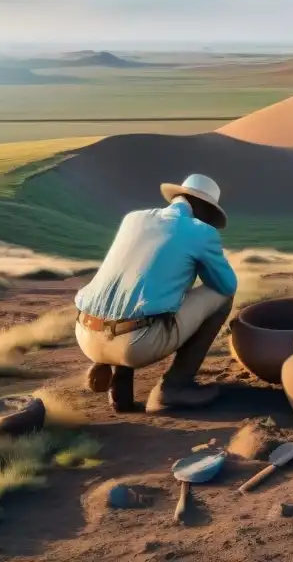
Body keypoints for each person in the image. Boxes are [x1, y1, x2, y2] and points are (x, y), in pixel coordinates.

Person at [75, 174, 238, 414]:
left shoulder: (133, 219)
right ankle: (175, 386)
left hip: (86, 334)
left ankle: (120, 390)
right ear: (202, 207)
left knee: (134, 286)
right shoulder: (200, 232)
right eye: (210, 216)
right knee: (222, 297)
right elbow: (226, 284)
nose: (209, 223)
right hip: (136, 344)